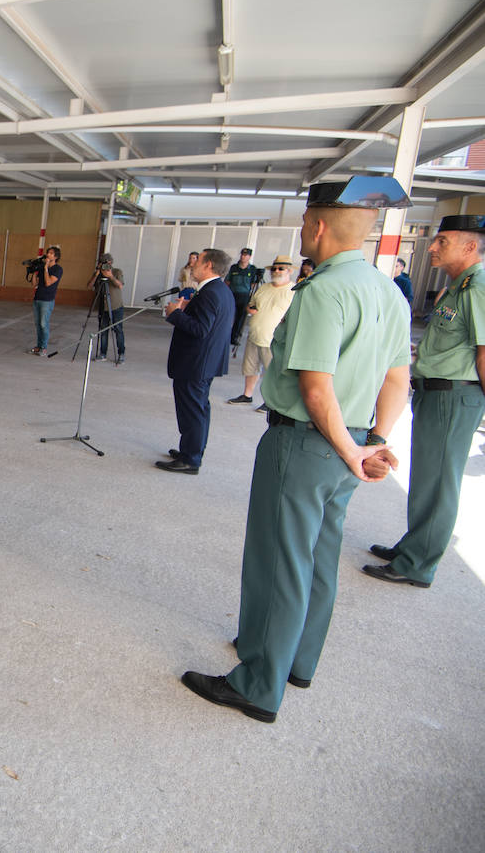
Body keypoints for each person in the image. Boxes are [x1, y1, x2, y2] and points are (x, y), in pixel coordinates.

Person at [181, 177, 412, 723]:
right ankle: (297, 660)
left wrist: (349, 448)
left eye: (306, 222)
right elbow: (398, 378)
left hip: (306, 442)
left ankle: (259, 683)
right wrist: (372, 443)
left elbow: (314, 386)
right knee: (318, 559)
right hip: (349, 445)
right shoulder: (384, 289)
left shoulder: (323, 291)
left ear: (318, 225)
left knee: (278, 561)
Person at [363, 214, 485, 588]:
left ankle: (417, 564)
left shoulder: (478, 287)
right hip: (436, 392)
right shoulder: (457, 286)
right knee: (426, 478)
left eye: (442, 241)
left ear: (469, 246)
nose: (432, 247)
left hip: (455, 395)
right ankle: (413, 545)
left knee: (439, 483)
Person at [155, 248, 235, 474]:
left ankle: (190, 459)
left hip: (196, 362)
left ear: (209, 265)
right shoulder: (219, 290)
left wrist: (175, 313)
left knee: (192, 411)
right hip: (205, 362)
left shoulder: (210, 292)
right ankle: (191, 450)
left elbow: (200, 329)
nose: (193, 265)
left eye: (198, 261)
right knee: (198, 409)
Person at [227, 256, 296, 406]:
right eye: (274, 269)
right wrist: (250, 309)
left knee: (274, 373)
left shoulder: (293, 291)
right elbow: (250, 305)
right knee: (250, 367)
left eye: (280, 268)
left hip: (274, 339)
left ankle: (271, 402)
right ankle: (247, 395)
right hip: (254, 335)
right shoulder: (264, 288)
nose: (276, 271)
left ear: (289, 271)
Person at [87, 253, 125, 363]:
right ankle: (103, 353)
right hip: (103, 308)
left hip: (116, 306)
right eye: (103, 263)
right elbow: (89, 286)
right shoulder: (98, 274)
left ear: (111, 263)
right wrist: (97, 274)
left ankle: (121, 353)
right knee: (103, 331)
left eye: (108, 263)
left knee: (118, 330)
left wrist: (111, 276)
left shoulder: (117, 272)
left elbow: (120, 285)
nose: (106, 266)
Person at [225, 247, 264, 348]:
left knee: (240, 318)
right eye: (242, 254)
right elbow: (227, 281)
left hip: (244, 295)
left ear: (249, 257)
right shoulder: (234, 267)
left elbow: (253, 284)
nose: (243, 256)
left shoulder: (252, 269)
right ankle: (224, 335)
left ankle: (234, 337)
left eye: (246, 255)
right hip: (232, 294)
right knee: (228, 316)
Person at [28, 246, 62, 355]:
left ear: (56, 257)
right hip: (37, 298)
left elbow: (48, 283)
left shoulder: (57, 269)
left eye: (51, 253)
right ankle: (38, 346)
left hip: (47, 300)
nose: (48, 255)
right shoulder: (42, 268)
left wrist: (46, 268)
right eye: (48, 253)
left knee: (44, 324)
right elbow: (34, 284)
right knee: (38, 324)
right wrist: (34, 271)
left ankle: (44, 347)